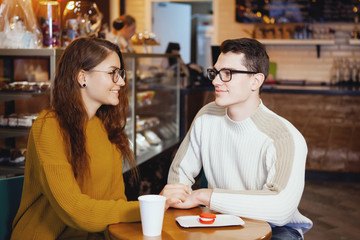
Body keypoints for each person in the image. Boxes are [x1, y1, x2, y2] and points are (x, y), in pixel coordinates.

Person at [11, 37, 190, 240]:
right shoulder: (49, 126)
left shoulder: (107, 127)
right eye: (113, 73)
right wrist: (152, 207)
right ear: (82, 77)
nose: (121, 82)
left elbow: (115, 201)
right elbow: (75, 210)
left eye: (121, 73)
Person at [168, 38, 313, 239]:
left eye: (227, 74)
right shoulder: (206, 116)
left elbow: (281, 208)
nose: (216, 81)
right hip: (221, 217)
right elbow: (179, 173)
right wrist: (179, 197)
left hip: (275, 227)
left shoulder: (284, 137)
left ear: (256, 81)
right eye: (216, 72)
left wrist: (204, 195)